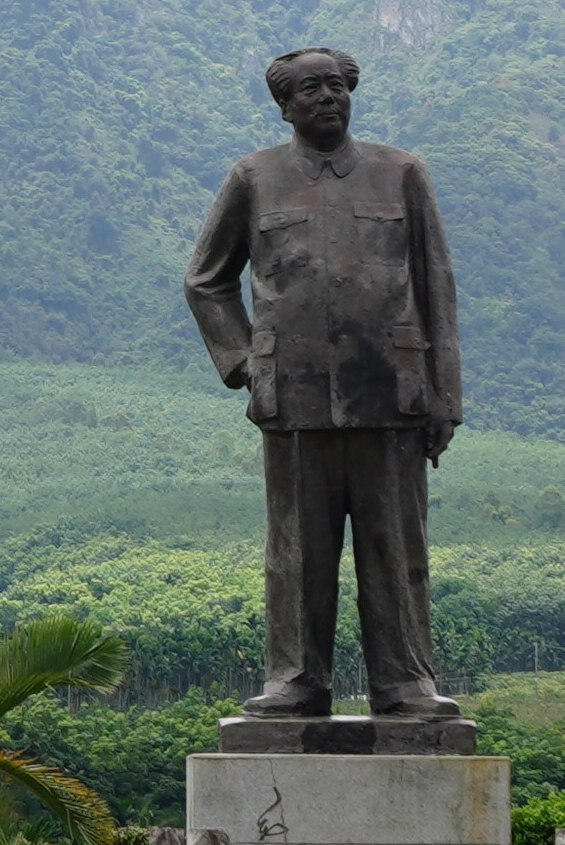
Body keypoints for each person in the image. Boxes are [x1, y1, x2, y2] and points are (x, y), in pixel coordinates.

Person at [179, 46, 464, 732]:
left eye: (336, 85)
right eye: (310, 89)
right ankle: (296, 681)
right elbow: (205, 280)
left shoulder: (402, 172)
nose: (328, 97)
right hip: (295, 400)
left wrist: (444, 396)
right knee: (296, 555)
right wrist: (247, 363)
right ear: (285, 106)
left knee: (395, 550)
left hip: (390, 394)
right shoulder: (254, 177)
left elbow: (436, 286)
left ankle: (405, 682)